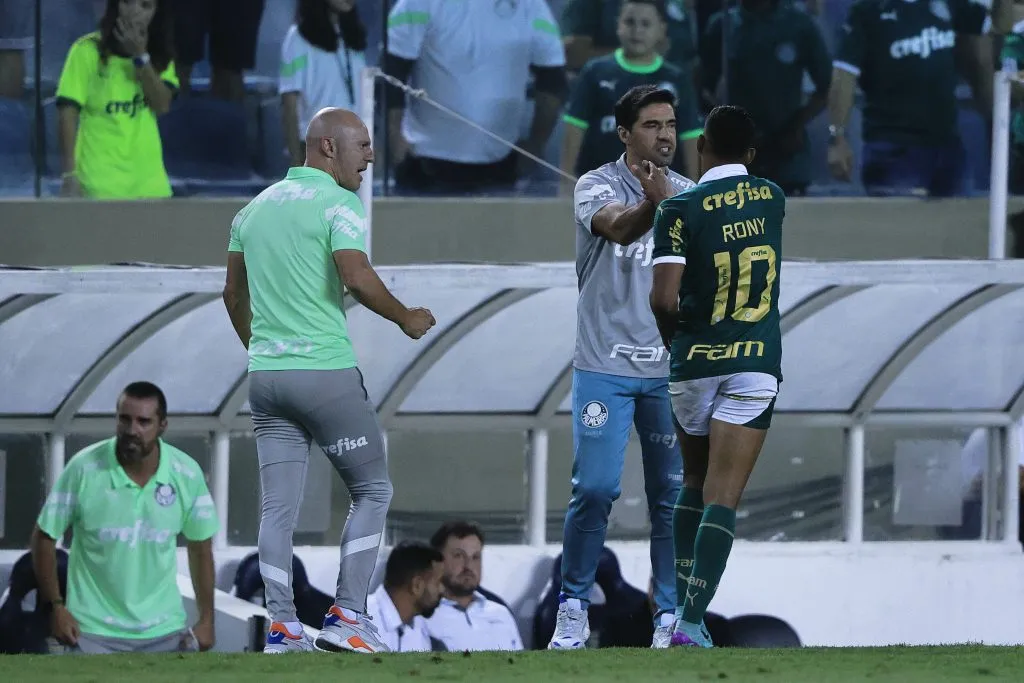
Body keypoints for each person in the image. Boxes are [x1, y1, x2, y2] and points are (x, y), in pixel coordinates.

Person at [222, 106, 436, 655]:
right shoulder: (339, 203)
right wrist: (405, 315)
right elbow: (356, 275)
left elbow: (231, 297)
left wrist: (263, 349)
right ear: (327, 148)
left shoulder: (251, 211)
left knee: (277, 510)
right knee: (372, 488)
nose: (371, 154)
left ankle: (283, 628)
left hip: (266, 380)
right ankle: (348, 616)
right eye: (361, 144)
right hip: (324, 374)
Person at [549, 84, 694, 652]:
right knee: (596, 488)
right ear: (624, 133)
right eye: (653, 125)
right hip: (604, 365)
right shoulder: (594, 185)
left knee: (671, 494)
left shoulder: (689, 193)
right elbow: (618, 228)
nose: (665, 135)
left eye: (671, 125)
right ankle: (573, 607)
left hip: (667, 371)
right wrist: (654, 203)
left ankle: (668, 615)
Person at [648, 104, 784, 648]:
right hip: (753, 362)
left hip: (694, 363)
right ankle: (691, 622)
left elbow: (663, 297)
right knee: (724, 497)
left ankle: (680, 612)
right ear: (751, 155)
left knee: (694, 484)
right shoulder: (774, 198)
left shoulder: (677, 210)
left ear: (700, 147)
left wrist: (674, 342)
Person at [29, 382, 218, 654]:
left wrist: (207, 620)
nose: (132, 430)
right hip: (91, 634)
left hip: (165, 633)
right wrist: (56, 607)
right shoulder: (84, 468)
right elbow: (43, 537)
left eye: (144, 422)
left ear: (162, 425)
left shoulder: (186, 473)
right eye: (124, 419)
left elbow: (201, 548)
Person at [561, 0, 703, 186]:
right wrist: (565, 180)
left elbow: (690, 135)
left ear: (661, 29)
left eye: (646, 24)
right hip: (601, 186)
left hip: (661, 189)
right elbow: (575, 127)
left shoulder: (676, 79)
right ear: (617, 24)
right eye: (630, 22)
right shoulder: (595, 72)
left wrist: (697, 187)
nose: (637, 31)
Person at [700, 0, 831, 195]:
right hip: (737, 153)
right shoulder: (722, 24)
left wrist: (795, 126)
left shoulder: (800, 24)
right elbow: (702, 87)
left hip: (788, 154)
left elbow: (827, 86)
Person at [56, 0, 177, 199]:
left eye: (145, 6)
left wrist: (140, 57)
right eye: (128, 2)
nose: (134, 12)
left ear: (157, 14)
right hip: (98, 186)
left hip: (150, 187)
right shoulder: (86, 50)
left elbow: (162, 104)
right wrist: (69, 175)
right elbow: (66, 114)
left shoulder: (160, 56)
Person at [280, 0, 368, 167]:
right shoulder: (298, 38)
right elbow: (289, 105)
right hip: (317, 151)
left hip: (354, 151)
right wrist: (296, 163)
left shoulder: (353, 36)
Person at [425, 521, 522, 651]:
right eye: (458, 556)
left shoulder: (501, 614)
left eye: (475, 557)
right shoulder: (423, 618)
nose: (469, 566)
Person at [365, 541, 445, 652]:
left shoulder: (422, 632)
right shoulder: (357, 623)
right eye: (438, 582)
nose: (442, 590)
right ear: (416, 585)